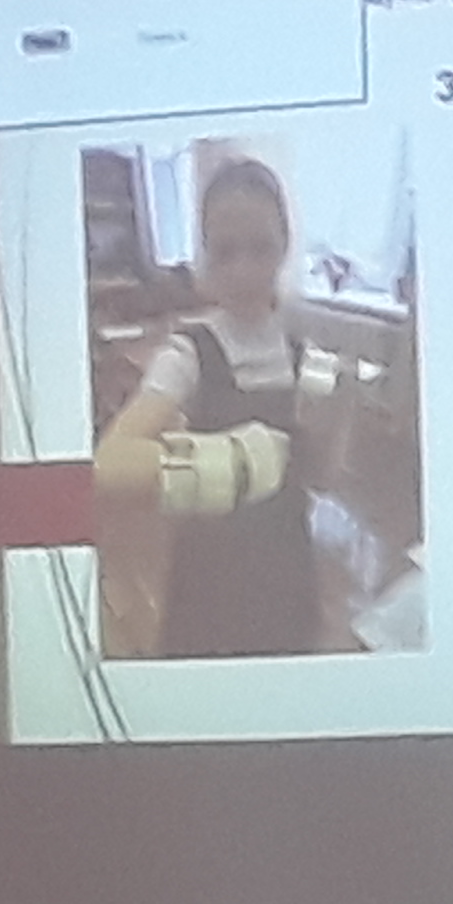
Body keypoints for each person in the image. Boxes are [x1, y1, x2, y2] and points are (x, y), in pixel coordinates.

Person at [91, 156, 329, 658]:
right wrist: (235, 462)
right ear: (205, 252)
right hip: (213, 572)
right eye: (225, 252)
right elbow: (111, 462)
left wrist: (329, 432)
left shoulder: (302, 352)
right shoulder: (188, 352)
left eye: (260, 248)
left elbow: (317, 477)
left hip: (288, 565)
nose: (243, 270)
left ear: (285, 244)